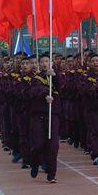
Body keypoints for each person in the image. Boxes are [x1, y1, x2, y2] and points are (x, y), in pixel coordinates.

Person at [27, 55, 60, 183]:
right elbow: (35, 90)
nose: (44, 63)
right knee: (38, 144)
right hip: (39, 114)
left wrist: (54, 77)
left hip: (54, 114)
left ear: (51, 63)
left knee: (53, 146)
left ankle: (51, 174)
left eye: (47, 61)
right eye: (42, 62)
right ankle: (34, 163)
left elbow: (62, 88)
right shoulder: (36, 77)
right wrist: (45, 94)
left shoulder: (57, 75)